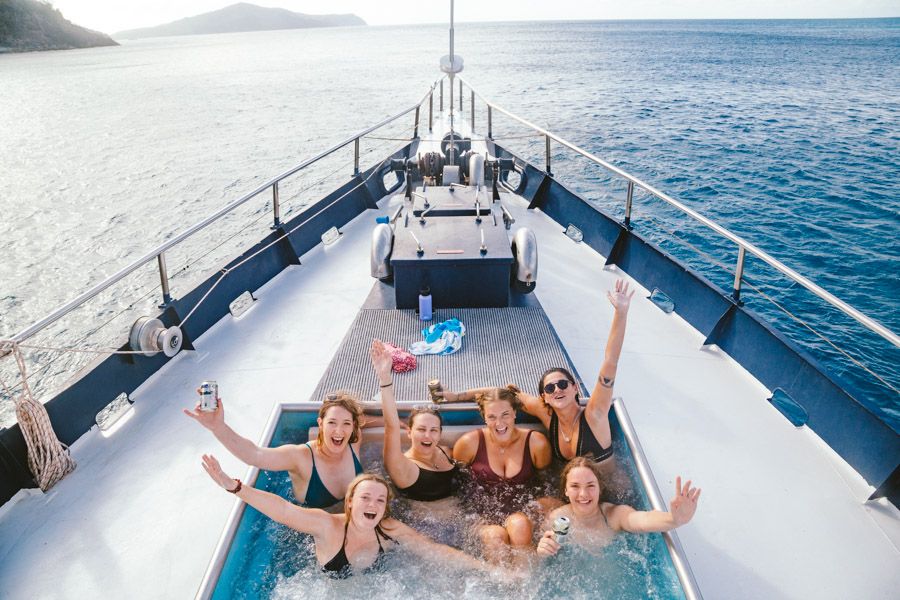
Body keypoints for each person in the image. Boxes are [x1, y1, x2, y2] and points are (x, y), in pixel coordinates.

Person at [438, 279, 635, 465]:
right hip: (574, 492)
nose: (557, 389)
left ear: (575, 388)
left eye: (563, 384)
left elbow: (610, 362)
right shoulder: (548, 416)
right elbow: (501, 393)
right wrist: (456, 396)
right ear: (544, 397)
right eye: (550, 388)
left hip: (608, 491)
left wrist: (621, 313)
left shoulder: (594, 415)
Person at [201, 459, 498, 578]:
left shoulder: (388, 529)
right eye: (366, 498)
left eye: (380, 500)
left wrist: (489, 571)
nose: (373, 504)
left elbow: (436, 551)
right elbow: (283, 511)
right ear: (351, 502)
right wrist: (235, 487)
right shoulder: (328, 526)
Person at [185, 392, 367, 509]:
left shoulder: (354, 441)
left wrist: (396, 423)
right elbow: (254, 455)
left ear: (353, 426)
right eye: (332, 423)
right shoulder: (300, 457)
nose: (339, 431)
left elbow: (369, 420)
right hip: (313, 539)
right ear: (320, 424)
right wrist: (218, 427)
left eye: (346, 424)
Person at [452, 387, 551, 559]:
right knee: (495, 536)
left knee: (519, 524)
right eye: (492, 417)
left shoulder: (536, 443)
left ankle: (526, 583)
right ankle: (502, 584)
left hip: (522, 515)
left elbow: (548, 482)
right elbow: (457, 483)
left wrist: (537, 509)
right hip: (482, 518)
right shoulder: (469, 444)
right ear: (484, 417)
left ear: (515, 413)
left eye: (505, 414)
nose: (499, 423)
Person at [536, 457, 700, 558]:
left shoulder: (613, 515)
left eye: (590, 485)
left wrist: (674, 519)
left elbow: (643, 519)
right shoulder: (557, 520)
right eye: (575, 486)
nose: (583, 494)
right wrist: (541, 552)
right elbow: (540, 558)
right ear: (566, 490)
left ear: (600, 487)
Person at [370, 339, 459, 504]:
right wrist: (384, 379)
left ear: (440, 434)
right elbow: (391, 427)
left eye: (433, 430)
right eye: (421, 429)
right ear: (409, 432)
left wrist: (458, 397)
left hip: (467, 518)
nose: (427, 435)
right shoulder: (402, 468)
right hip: (430, 527)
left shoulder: (444, 451)